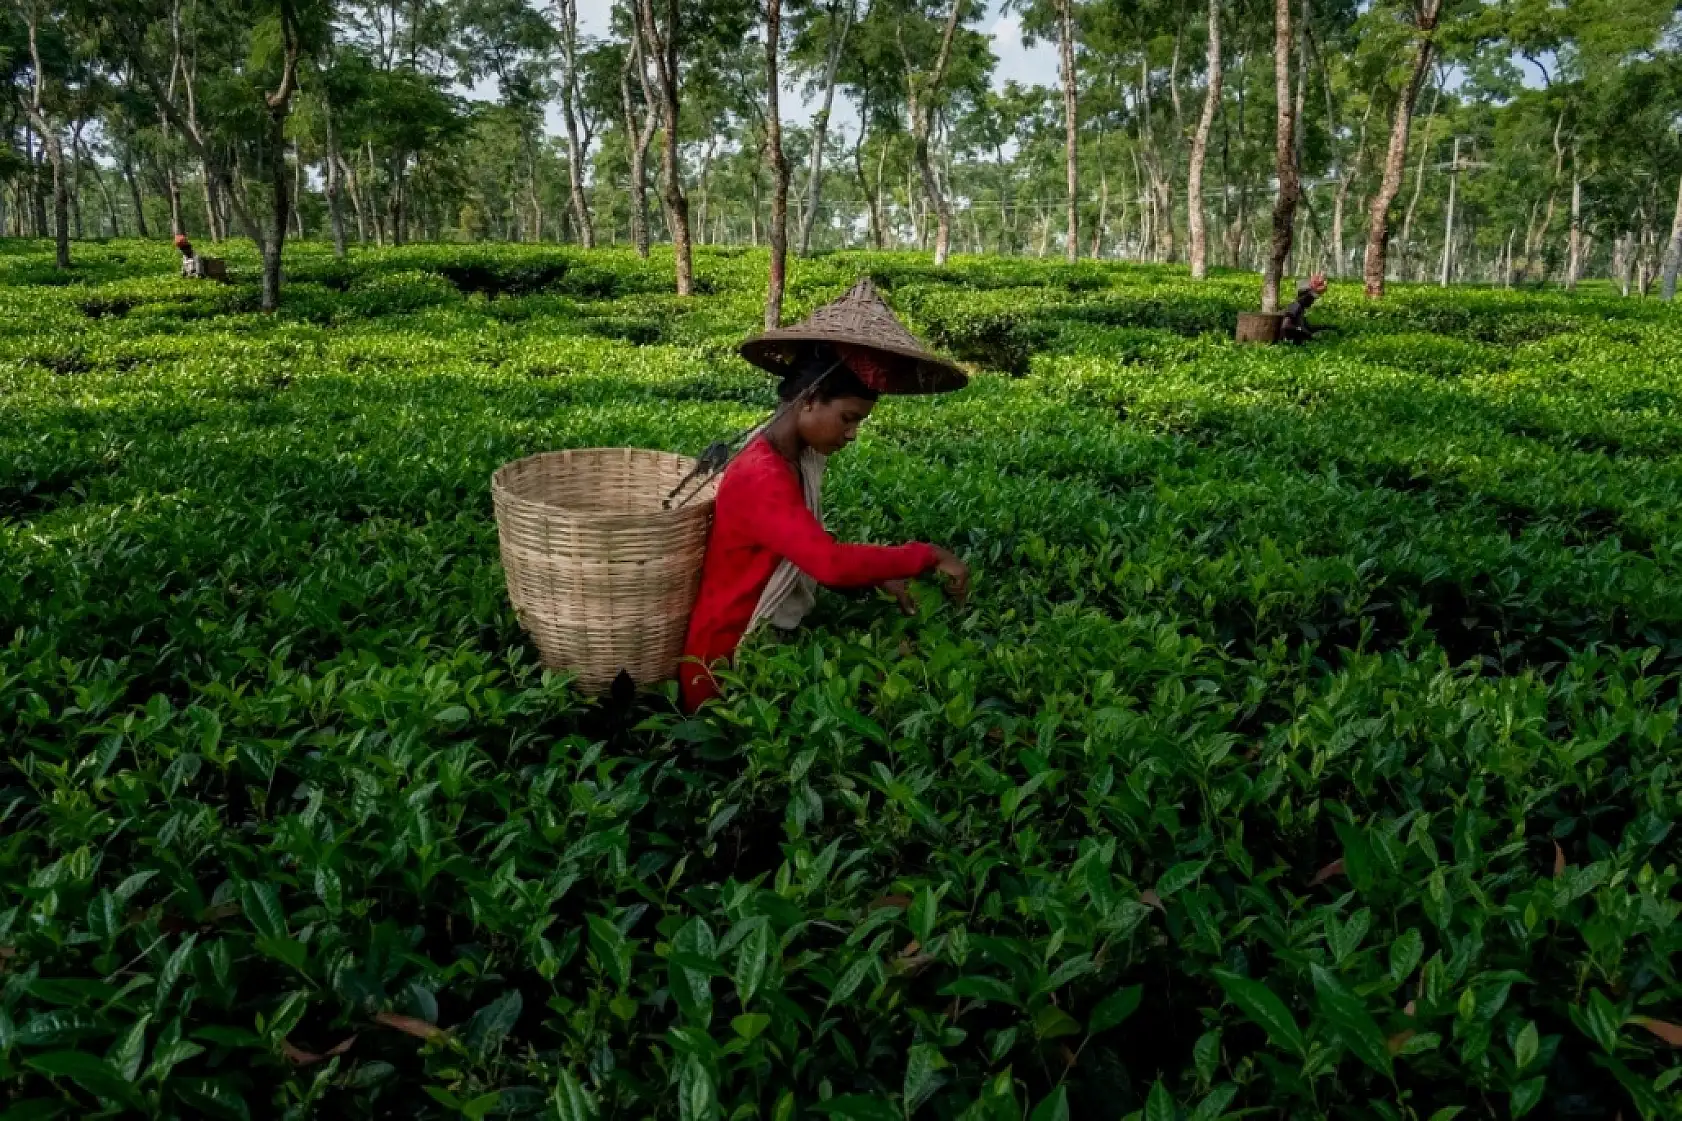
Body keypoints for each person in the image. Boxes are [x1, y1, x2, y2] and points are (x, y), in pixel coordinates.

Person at [678, 280, 971, 712]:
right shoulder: (763, 475)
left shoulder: (791, 460)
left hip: (753, 654)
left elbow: (800, 546)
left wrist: (875, 575)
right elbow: (828, 563)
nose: (852, 434)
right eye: (848, 419)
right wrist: (925, 555)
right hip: (722, 669)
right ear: (810, 401)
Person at [1280, 273, 1329, 344]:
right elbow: (1286, 327)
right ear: (1304, 296)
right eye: (1311, 298)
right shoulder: (1294, 306)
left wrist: (1324, 327)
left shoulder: (1300, 308)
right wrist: (1307, 334)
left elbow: (1305, 326)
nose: (1312, 301)